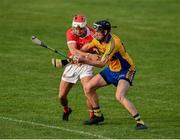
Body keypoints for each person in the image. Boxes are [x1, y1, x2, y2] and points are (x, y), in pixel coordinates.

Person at [76, 20, 148, 129]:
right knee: (88, 87)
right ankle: (98, 116)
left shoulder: (113, 43)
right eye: (95, 31)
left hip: (125, 70)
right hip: (111, 70)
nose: (94, 34)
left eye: (98, 31)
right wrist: (77, 53)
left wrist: (84, 60)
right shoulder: (97, 38)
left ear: (105, 32)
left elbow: (101, 64)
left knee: (119, 96)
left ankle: (140, 122)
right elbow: (87, 47)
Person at [52, 15, 104, 122]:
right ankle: (66, 109)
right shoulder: (70, 32)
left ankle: (93, 116)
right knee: (61, 96)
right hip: (73, 64)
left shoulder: (93, 34)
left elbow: (101, 50)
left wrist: (94, 55)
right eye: (76, 28)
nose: (77, 30)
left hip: (86, 65)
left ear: (85, 26)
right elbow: (74, 51)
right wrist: (89, 55)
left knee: (88, 90)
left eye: (80, 28)